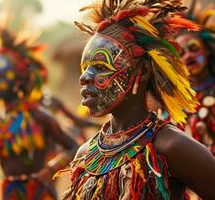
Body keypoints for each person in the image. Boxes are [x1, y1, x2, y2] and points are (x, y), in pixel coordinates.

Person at [60, 0, 215, 199]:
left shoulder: (171, 147)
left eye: (100, 67)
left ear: (141, 72)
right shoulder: (85, 155)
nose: (84, 77)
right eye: (85, 67)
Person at [0, 23, 78, 200]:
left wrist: (50, 169)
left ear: (18, 81)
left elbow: (73, 146)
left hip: (39, 192)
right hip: (10, 193)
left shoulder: (38, 116)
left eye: (0, 76)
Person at [175, 4, 215, 155]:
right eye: (181, 53)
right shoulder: (173, 102)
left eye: (194, 48)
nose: (188, 56)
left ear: (208, 50)